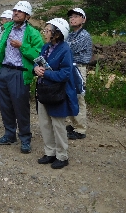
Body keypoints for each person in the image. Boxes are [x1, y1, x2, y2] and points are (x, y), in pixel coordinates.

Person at [0, 1, 44, 154]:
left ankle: (25, 139)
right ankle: (9, 134)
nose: (15, 13)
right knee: (5, 105)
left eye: (20, 12)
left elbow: (38, 54)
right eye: (15, 10)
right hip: (4, 70)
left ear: (27, 16)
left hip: (20, 73)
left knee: (20, 107)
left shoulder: (33, 33)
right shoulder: (7, 28)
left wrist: (22, 46)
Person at [34, 18, 79, 169]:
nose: (44, 33)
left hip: (57, 93)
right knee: (45, 123)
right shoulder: (45, 47)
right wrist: (36, 69)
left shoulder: (65, 50)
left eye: (47, 30)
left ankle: (62, 155)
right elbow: (38, 63)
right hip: (44, 91)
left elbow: (65, 74)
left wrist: (45, 74)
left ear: (57, 34)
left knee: (58, 125)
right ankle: (50, 152)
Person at [66, 8, 93, 140]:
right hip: (71, 67)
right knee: (70, 96)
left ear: (83, 19)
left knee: (78, 97)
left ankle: (81, 129)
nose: (72, 18)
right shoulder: (71, 35)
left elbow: (69, 49)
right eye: (71, 16)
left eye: (76, 16)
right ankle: (74, 124)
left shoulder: (84, 35)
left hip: (79, 68)